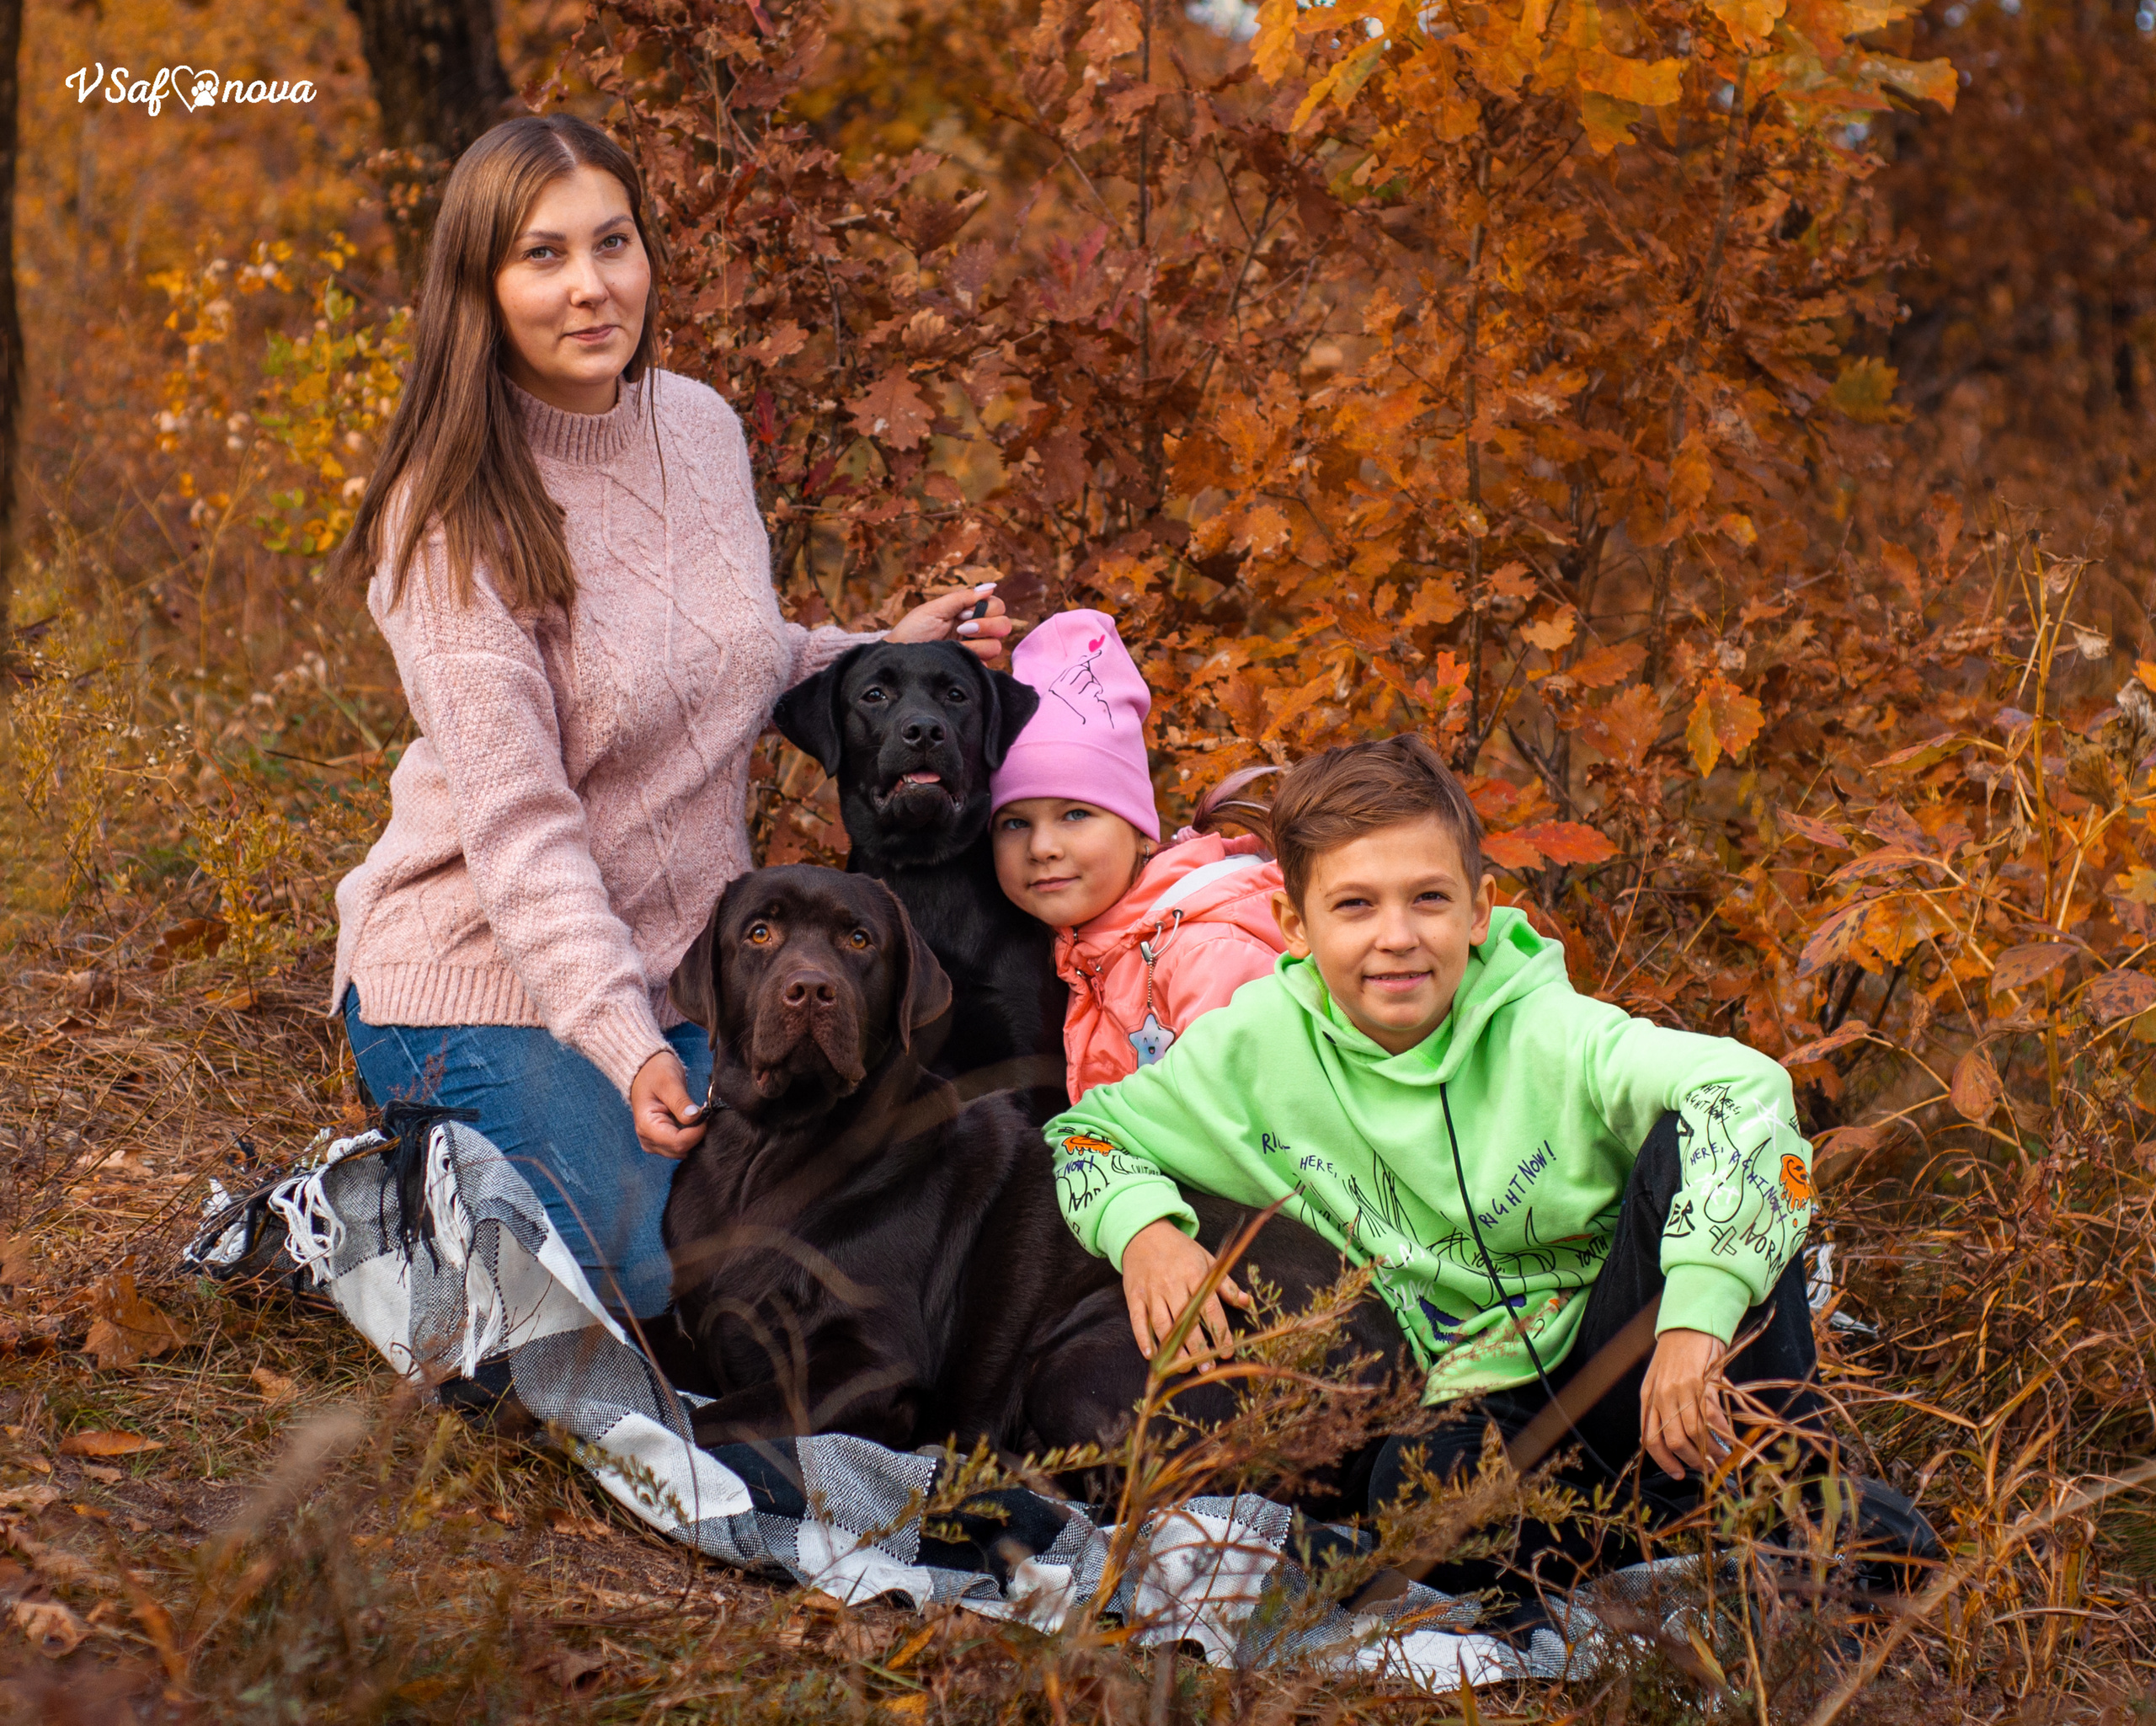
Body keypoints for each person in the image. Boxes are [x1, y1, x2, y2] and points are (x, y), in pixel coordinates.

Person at [326, 115, 1010, 1320]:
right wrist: (626, 1043)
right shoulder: (449, 517)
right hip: (488, 974)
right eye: (543, 256)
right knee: (652, 1284)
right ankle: (371, 1214)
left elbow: (738, 656)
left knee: (808, 1256)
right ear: (479, 287)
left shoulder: (697, 426)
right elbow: (521, 828)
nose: (591, 289)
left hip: (691, 970)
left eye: (615, 243)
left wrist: (890, 658)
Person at [1042, 734, 1839, 1603]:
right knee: (1410, 1504)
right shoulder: (1250, 1048)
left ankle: (1794, 1495)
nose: (1396, 938)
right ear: (1294, 925)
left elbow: (1747, 1086)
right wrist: (1147, 1234)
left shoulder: (1546, 1030)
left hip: (1633, 1338)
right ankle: (1664, 1523)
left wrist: (1695, 1316)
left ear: (1476, 910)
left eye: (1428, 899)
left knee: (1699, 1144)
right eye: (1353, 906)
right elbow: (1089, 1133)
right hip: (1488, 1387)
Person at [988, 610, 1288, 1103]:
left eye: (1076, 815)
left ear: (1141, 833)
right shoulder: (1077, 954)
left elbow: (1242, 1135)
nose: (1042, 848)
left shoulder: (1204, 955)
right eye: (1015, 823)